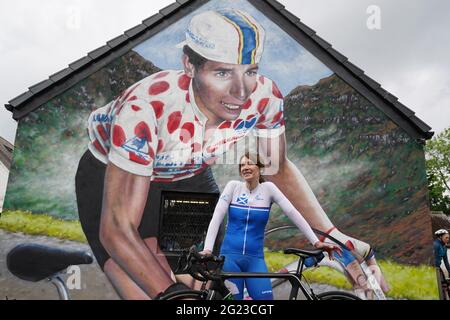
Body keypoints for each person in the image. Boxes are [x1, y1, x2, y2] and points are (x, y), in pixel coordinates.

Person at [75, 8, 386, 299]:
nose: (241, 92)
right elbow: (117, 230)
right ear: (189, 65)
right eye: (223, 73)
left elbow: (277, 168)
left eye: (250, 71)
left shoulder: (264, 96)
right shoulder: (146, 109)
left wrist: (334, 239)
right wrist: (173, 297)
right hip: (112, 173)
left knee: (204, 283)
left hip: (187, 177)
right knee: (144, 282)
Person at [201, 153, 340, 299]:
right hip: (230, 258)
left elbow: (294, 214)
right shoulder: (233, 187)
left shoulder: (268, 189)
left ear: (260, 168)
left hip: (255, 260)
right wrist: (208, 249)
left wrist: (316, 241)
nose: (245, 167)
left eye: (250, 163)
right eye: (242, 165)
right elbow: (216, 219)